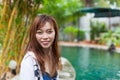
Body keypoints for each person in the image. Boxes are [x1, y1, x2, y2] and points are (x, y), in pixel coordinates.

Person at [20, 14, 61, 80]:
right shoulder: (29, 61)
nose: (45, 37)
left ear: (55, 33)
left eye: (49, 32)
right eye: (40, 32)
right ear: (34, 35)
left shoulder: (53, 55)